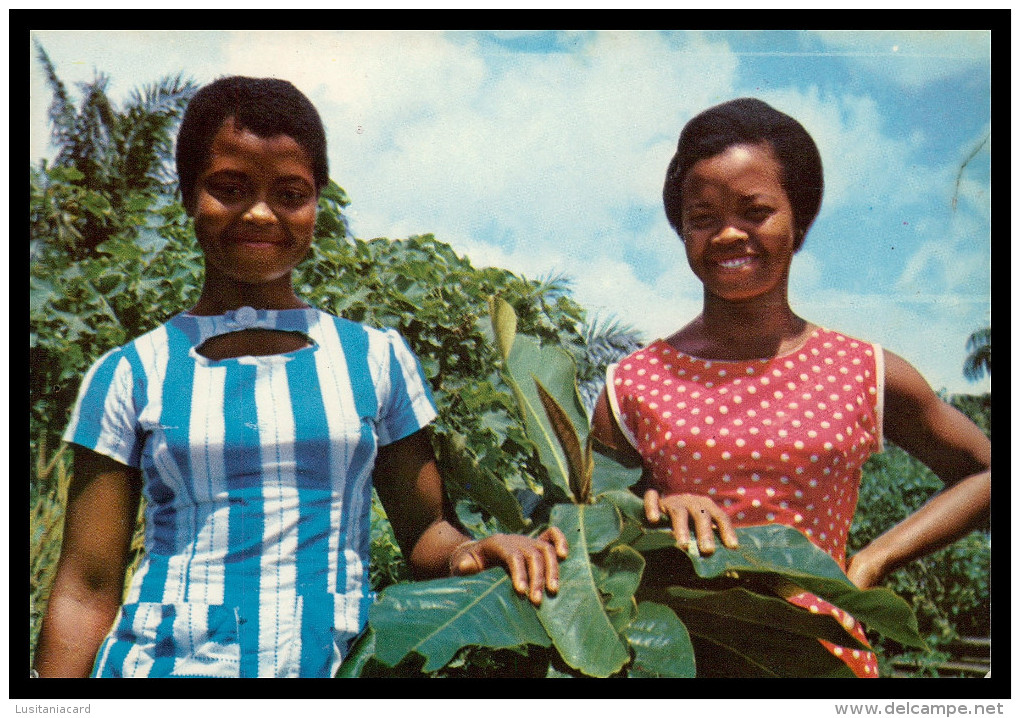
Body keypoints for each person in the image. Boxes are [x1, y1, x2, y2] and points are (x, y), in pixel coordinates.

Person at [33, 76, 567, 679]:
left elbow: (425, 533)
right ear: (188, 195)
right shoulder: (131, 373)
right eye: (229, 188)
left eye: (290, 193)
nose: (260, 213)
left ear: (317, 202)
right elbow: (84, 587)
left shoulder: (375, 359)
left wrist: (473, 549)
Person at [591, 98, 991, 678]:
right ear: (681, 228)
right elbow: (586, 525)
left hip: (826, 665)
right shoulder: (631, 385)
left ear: (798, 220)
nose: (728, 234)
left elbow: (985, 472)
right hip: (677, 665)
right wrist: (646, 510)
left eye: (755, 211)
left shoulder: (865, 371)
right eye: (703, 217)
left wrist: (870, 562)